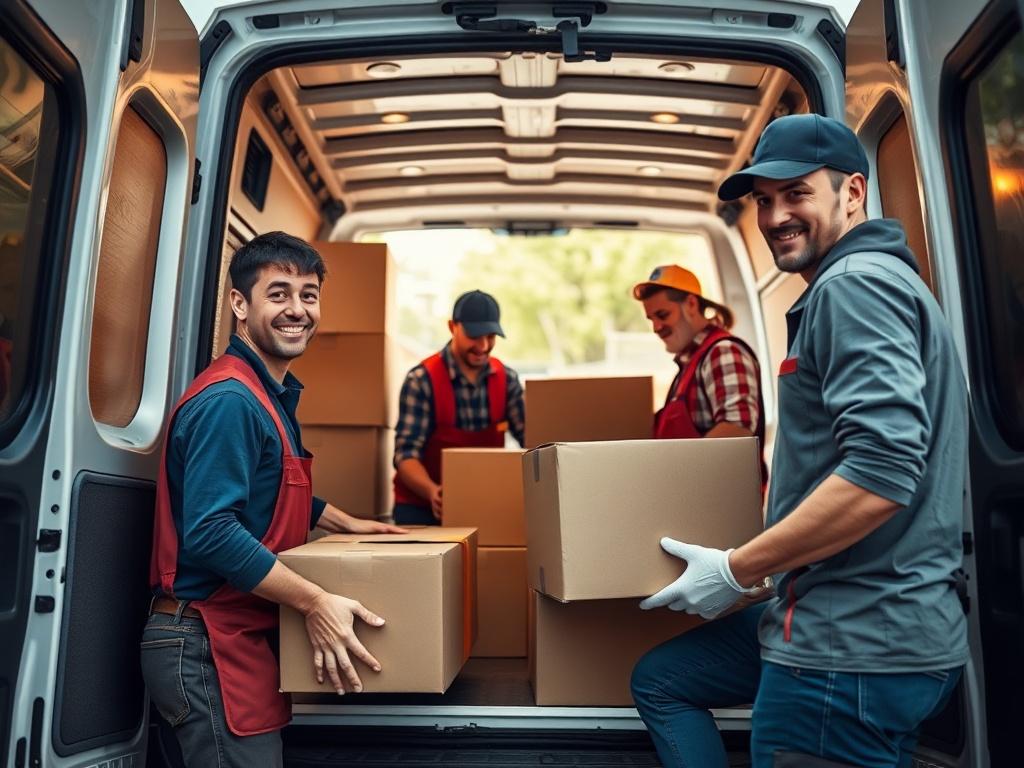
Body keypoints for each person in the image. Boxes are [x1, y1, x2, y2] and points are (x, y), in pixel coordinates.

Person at [631, 114, 969, 768]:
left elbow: (881, 471)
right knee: (663, 679)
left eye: (797, 193)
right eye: (764, 200)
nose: (776, 214)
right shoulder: (866, 283)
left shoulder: (855, 286)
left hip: (849, 649)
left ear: (853, 193)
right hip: (863, 630)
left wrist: (737, 569)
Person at [142, 232, 405, 767]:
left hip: (232, 637)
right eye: (278, 293)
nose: (297, 310)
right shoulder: (230, 401)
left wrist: (339, 520)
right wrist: (315, 601)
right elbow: (213, 531)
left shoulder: (264, 393)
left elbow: (265, 490)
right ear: (239, 304)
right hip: (204, 640)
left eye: (308, 295)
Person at [392, 290, 525, 525]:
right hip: (423, 506)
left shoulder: (507, 380)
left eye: (491, 336)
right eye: (475, 336)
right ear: (453, 327)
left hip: (485, 503)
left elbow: (533, 441)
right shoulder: (422, 380)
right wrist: (432, 491)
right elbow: (406, 455)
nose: (483, 346)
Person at [633, 265, 766, 484]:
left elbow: (737, 429)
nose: (656, 327)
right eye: (651, 319)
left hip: (720, 503)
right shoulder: (689, 366)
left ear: (692, 304)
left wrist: (674, 475)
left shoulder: (723, 352)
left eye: (662, 315)